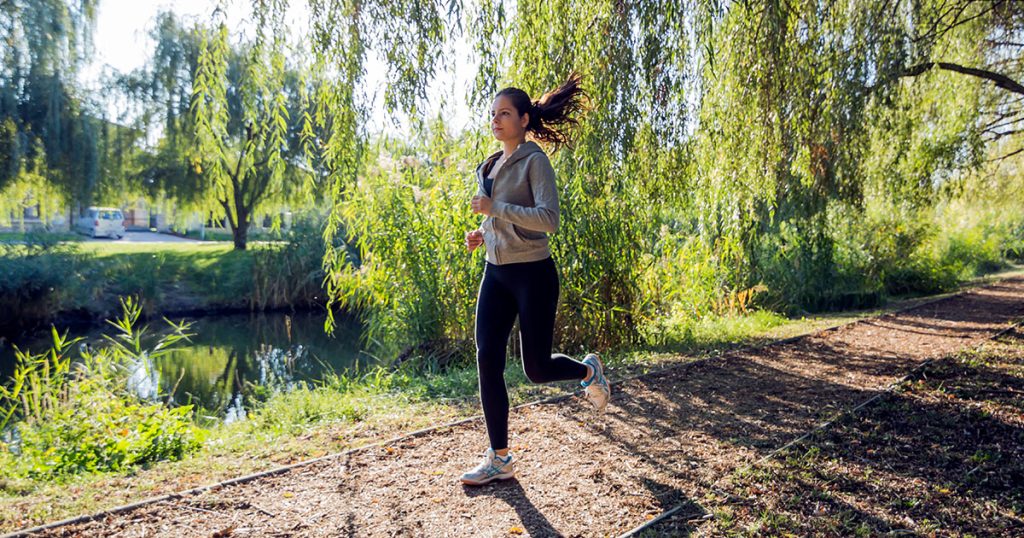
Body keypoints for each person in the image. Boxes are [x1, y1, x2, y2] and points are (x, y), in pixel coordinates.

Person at [460, 73, 612, 487]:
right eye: (493, 114)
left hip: (533, 275)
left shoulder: (534, 161)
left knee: (538, 369)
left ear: (524, 120)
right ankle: (499, 458)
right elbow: (499, 218)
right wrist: (483, 233)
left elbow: (548, 220)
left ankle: (588, 371)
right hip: (496, 273)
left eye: (504, 114)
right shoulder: (489, 164)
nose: (495, 120)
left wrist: (495, 208)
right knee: (487, 357)